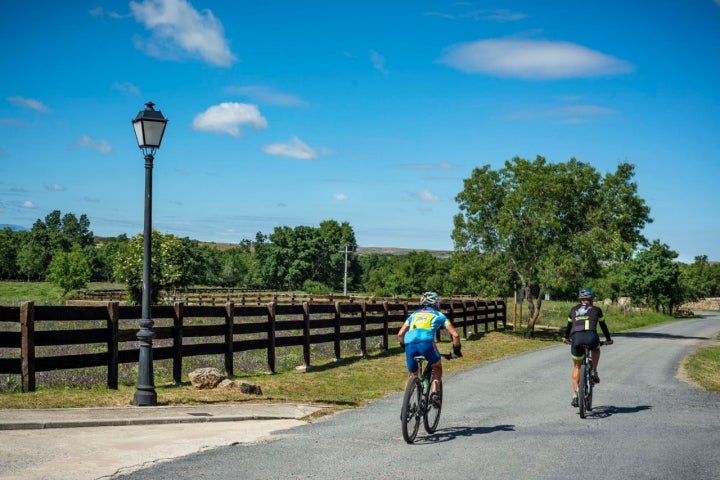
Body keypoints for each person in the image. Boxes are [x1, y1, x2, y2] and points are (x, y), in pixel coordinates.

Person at [397, 291, 462, 406]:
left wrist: (404, 347)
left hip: (409, 344)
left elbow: (400, 334)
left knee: (412, 375)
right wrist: (456, 351)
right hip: (426, 343)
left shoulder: (413, 315)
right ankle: (434, 393)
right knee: (437, 367)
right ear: (436, 303)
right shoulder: (439, 315)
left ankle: (405, 406)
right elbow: (455, 335)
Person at [563, 288, 613, 407]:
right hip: (591, 338)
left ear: (580, 299)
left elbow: (569, 327)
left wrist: (565, 338)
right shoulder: (597, 310)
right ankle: (594, 371)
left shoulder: (573, 310)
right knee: (596, 348)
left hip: (576, 339)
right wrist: (608, 339)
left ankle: (575, 395)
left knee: (576, 366)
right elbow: (603, 326)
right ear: (592, 299)